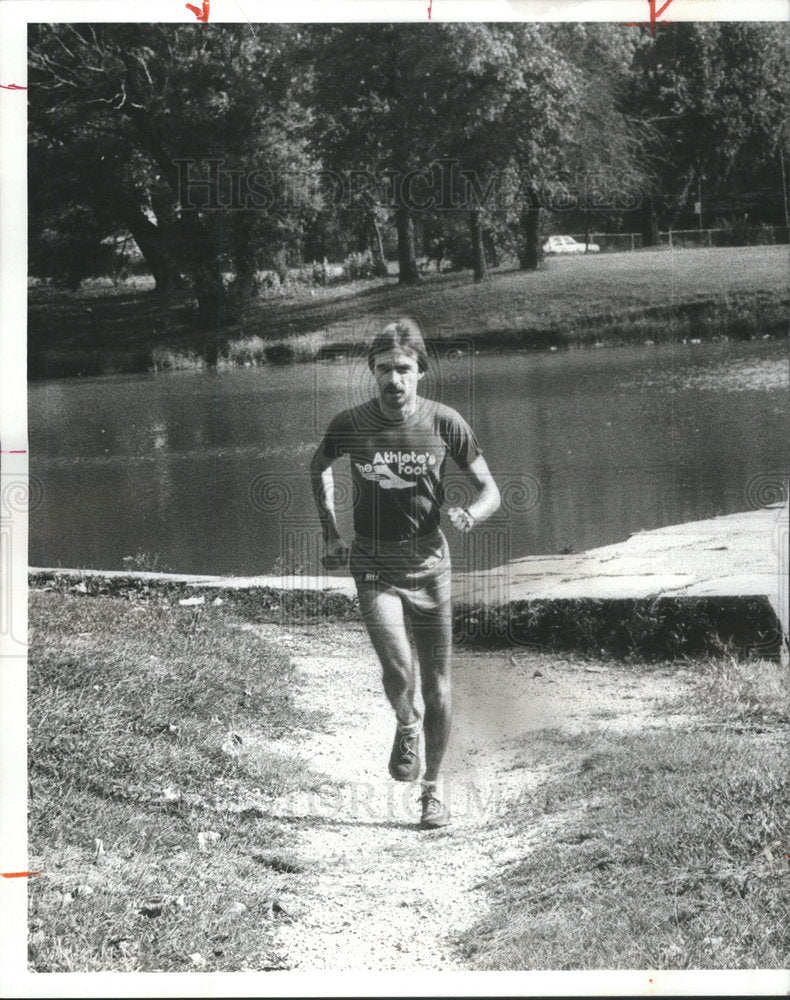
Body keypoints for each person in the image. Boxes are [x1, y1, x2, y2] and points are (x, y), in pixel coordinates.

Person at [310, 318, 500, 829]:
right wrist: (331, 532)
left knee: (439, 684)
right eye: (384, 370)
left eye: (403, 369)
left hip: (430, 563)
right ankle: (405, 720)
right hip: (372, 561)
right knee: (399, 671)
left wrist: (471, 514)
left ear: (420, 371)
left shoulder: (445, 423)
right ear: (373, 373)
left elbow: (490, 490)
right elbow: (318, 466)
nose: (394, 380)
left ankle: (432, 790)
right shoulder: (350, 423)